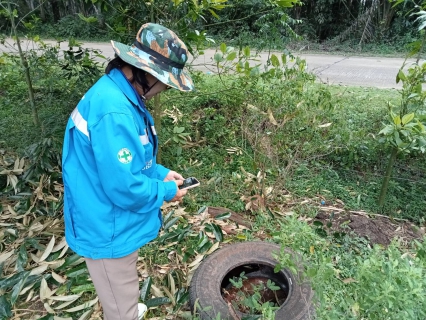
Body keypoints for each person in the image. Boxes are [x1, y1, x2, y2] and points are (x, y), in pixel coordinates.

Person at [62, 23, 195, 320]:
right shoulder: (115, 110)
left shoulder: (119, 95)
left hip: (108, 213)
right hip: (106, 224)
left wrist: (159, 173)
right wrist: (167, 191)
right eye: (165, 82)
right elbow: (125, 187)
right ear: (144, 72)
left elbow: (122, 160)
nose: (164, 90)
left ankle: (126, 307)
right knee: (118, 296)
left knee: (121, 283)